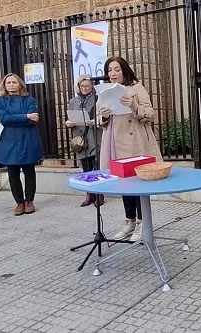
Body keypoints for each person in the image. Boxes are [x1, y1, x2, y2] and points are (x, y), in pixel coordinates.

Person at [97, 56, 163, 243]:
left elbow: (150, 114)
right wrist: (103, 116)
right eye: (109, 70)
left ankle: (143, 222)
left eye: (117, 69)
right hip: (116, 144)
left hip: (137, 144)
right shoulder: (104, 92)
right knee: (124, 183)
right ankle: (130, 221)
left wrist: (134, 106)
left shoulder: (136, 88)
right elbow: (98, 121)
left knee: (138, 183)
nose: (113, 73)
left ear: (124, 70)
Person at [0, 73, 43, 216]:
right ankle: (19, 202)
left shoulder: (29, 100)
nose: (12, 85)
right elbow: (3, 118)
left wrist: (17, 119)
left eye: (14, 82)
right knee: (12, 172)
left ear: (20, 84)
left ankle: (29, 201)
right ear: (5, 85)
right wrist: (25, 116)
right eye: (8, 82)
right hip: (9, 141)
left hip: (27, 139)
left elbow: (34, 119)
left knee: (29, 171)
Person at [66, 74, 102, 207]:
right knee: (85, 167)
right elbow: (69, 117)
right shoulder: (73, 101)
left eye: (87, 85)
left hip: (94, 135)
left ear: (92, 86)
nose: (85, 88)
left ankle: (99, 194)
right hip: (80, 137)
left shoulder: (98, 98)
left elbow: (101, 117)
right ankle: (89, 194)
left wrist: (94, 121)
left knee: (96, 166)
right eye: (82, 85)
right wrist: (68, 123)